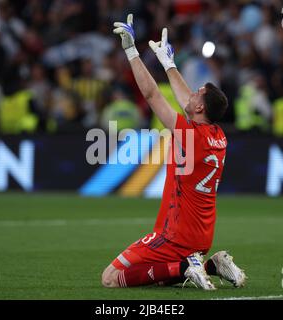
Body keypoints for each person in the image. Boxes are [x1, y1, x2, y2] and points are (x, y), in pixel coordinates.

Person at [102, 14, 246, 290]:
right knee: (158, 276)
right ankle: (210, 266)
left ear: (201, 108)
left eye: (198, 93)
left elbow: (152, 95)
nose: (191, 93)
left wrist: (131, 51)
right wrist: (169, 63)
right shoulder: (217, 135)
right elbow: (188, 102)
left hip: (175, 235)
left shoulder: (189, 134)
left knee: (111, 278)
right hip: (201, 237)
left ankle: (186, 267)